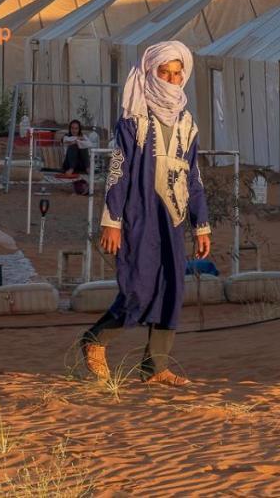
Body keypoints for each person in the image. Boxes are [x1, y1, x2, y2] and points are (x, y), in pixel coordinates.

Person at [79, 41, 211, 387]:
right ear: (150, 74)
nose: (170, 80)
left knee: (172, 287)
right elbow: (118, 170)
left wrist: (201, 224)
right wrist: (112, 220)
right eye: (163, 73)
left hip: (174, 214)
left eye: (176, 73)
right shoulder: (134, 120)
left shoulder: (187, 121)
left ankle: (155, 366)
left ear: (184, 75)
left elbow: (193, 173)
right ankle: (96, 339)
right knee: (139, 285)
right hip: (140, 213)